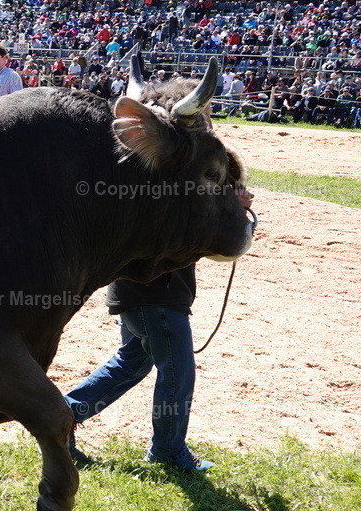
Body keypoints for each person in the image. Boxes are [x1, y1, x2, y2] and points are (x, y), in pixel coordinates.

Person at [66, 186, 255, 471]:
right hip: (158, 301)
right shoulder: (176, 197)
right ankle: (168, 450)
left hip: (134, 295)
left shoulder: (150, 189)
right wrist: (233, 209)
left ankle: (62, 416)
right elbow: (222, 246)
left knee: (131, 362)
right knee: (178, 374)